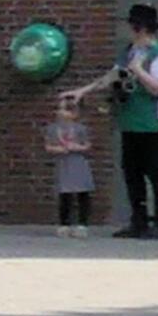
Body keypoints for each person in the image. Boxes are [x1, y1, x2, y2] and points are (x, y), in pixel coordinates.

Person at [60, 3, 158, 238]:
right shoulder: (130, 50)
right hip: (132, 117)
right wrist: (82, 91)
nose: (128, 30)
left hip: (157, 120)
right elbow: (111, 76)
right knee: (131, 170)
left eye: (131, 25)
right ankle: (139, 221)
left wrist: (138, 70)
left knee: (154, 170)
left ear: (141, 28)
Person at [46, 97, 95, 238]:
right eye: (59, 109)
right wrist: (58, 149)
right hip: (64, 164)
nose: (60, 112)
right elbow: (48, 146)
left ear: (75, 113)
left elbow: (87, 145)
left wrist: (77, 147)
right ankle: (64, 224)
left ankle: (82, 224)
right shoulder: (53, 129)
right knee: (64, 195)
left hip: (78, 163)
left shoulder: (81, 129)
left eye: (65, 109)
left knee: (82, 194)